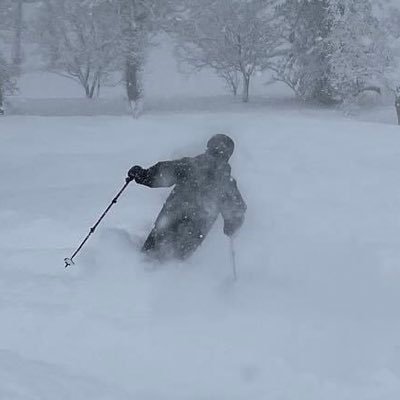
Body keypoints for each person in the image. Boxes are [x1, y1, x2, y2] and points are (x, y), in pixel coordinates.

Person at [126, 134, 246, 261]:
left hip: (169, 220)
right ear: (228, 156)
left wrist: (141, 174)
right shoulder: (227, 183)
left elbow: (161, 175)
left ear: (208, 148)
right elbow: (236, 212)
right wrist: (231, 227)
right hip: (194, 232)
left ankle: (135, 277)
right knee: (173, 264)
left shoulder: (190, 165)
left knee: (148, 258)